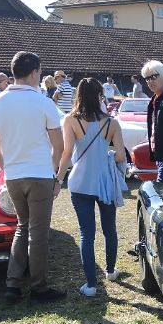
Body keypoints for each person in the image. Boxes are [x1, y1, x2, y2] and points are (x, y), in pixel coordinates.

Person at [0, 51, 66, 303]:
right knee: (38, 233)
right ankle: (38, 288)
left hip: (13, 175)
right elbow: (59, 146)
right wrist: (53, 173)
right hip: (39, 174)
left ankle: (13, 284)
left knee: (22, 227)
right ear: (34, 73)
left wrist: (7, 167)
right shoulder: (43, 102)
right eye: (39, 72)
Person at [55, 78, 126, 298]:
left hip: (80, 182)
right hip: (105, 182)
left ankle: (91, 284)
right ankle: (111, 271)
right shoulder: (112, 123)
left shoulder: (70, 120)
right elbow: (121, 156)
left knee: (87, 233)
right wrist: (107, 153)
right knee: (109, 229)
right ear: (99, 95)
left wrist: (58, 180)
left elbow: (67, 153)